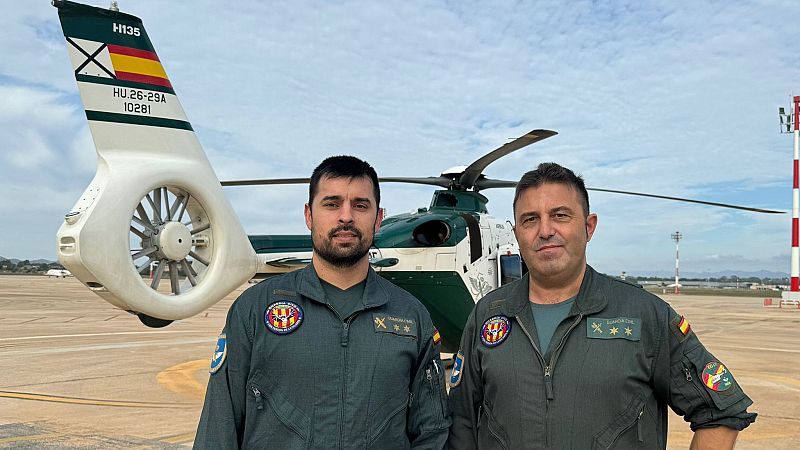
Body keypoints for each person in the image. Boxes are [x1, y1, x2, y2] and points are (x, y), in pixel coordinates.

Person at [447, 162, 756, 449]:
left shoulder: (645, 315)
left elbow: (720, 411)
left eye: (560, 215)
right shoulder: (488, 315)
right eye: (530, 220)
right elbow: (461, 423)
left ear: (589, 227)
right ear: (517, 234)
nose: (545, 231)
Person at [194, 156, 450, 449]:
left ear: (378, 219)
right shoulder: (254, 309)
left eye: (360, 205)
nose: (346, 217)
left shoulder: (412, 317)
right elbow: (218, 427)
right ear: (309, 215)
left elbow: (432, 433)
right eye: (331, 204)